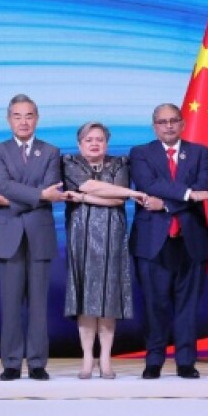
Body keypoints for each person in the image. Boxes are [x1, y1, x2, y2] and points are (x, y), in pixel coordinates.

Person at [128, 103, 208, 379]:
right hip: (153, 242)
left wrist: (165, 205)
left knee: (188, 306)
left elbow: (202, 189)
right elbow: (147, 185)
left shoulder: (200, 153)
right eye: (162, 122)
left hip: (191, 240)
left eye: (173, 121)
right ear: (155, 126)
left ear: (183, 123)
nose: (168, 126)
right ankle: (154, 359)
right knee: (155, 303)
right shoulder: (140, 153)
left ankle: (186, 361)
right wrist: (187, 196)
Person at [0, 94, 64, 381]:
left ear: (37, 118)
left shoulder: (51, 152)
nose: (23, 121)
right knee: (10, 303)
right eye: (17, 116)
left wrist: (13, 199)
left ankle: (38, 362)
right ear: (9, 119)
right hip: (10, 235)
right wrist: (40, 196)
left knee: (39, 304)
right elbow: (3, 184)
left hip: (39, 234)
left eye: (28, 115)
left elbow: (51, 186)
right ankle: (10, 362)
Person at [60, 122, 141, 379]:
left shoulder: (119, 163)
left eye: (99, 139)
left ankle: (105, 359)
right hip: (81, 235)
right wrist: (128, 191)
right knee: (84, 296)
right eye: (89, 139)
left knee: (108, 296)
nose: (94, 143)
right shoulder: (70, 161)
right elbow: (88, 186)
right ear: (79, 144)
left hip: (112, 235)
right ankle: (87, 359)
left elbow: (117, 200)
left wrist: (84, 197)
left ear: (106, 143)